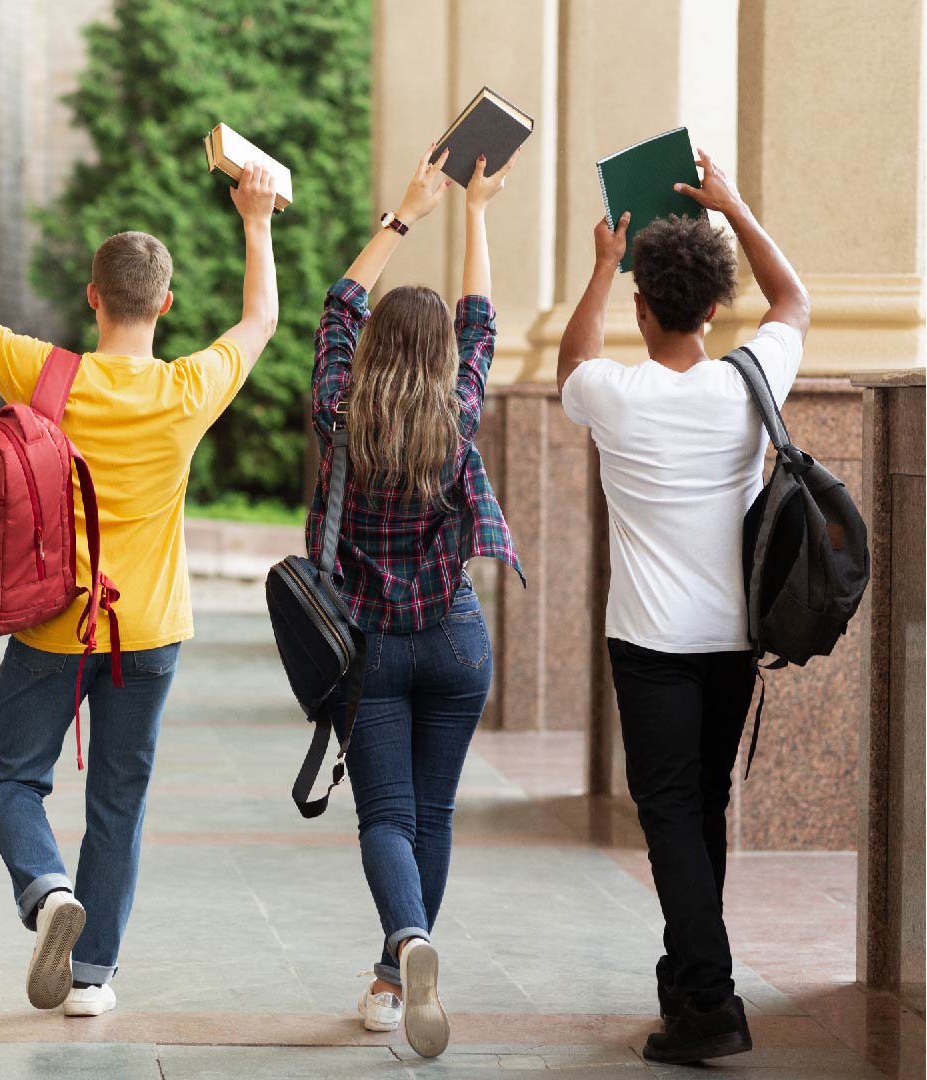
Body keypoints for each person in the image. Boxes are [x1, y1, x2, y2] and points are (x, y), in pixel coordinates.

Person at [0, 158, 281, 1018]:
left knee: (11, 782)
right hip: (148, 633)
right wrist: (255, 218)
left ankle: (46, 893)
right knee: (119, 799)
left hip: (49, 627)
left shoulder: (48, 376)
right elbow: (260, 318)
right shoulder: (188, 389)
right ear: (167, 304)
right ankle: (93, 977)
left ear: (92, 298)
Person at [556, 149, 809, 1066]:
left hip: (651, 644)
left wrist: (597, 264)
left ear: (640, 305)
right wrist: (734, 206)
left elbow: (571, 356)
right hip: (733, 640)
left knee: (668, 814)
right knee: (699, 808)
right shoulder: (749, 380)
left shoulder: (615, 395)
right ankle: (685, 982)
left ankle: (709, 1001)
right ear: (712, 309)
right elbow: (793, 302)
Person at [312, 146, 523, 1059]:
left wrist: (405, 216)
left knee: (385, 818)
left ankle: (404, 949)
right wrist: (476, 213)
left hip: (369, 646)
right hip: (453, 642)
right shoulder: (458, 408)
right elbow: (481, 321)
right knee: (430, 818)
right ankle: (396, 977)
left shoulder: (340, 409)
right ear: (439, 356)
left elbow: (337, 308)